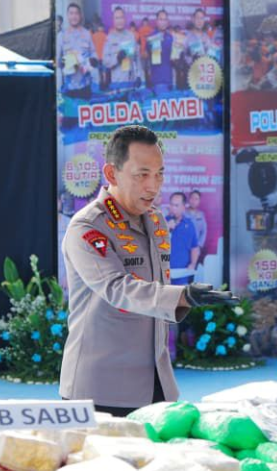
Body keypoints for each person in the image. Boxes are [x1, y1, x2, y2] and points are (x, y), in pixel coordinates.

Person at [60, 125, 236, 416]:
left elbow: (155, 288)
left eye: (159, 174)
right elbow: (117, 287)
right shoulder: (88, 226)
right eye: (142, 175)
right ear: (111, 174)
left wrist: (184, 297)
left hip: (157, 384)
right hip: (101, 388)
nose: (153, 186)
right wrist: (184, 296)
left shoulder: (155, 220)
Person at [58, 3, 95, 99]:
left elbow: (94, 55)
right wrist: (63, 62)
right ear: (67, 15)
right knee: (69, 114)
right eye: (71, 13)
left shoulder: (87, 34)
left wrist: (90, 62)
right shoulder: (61, 36)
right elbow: (57, 61)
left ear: (80, 16)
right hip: (68, 87)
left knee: (85, 113)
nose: (74, 16)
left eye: (76, 13)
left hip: (85, 86)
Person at [102, 5, 141, 89]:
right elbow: (105, 61)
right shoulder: (109, 38)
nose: (119, 21)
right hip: (117, 83)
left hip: (131, 82)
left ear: (125, 19)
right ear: (113, 20)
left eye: (121, 18)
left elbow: (137, 57)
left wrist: (139, 76)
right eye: (117, 18)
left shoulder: (131, 36)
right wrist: (117, 59)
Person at [165, 191, 199, 285]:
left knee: (181, 298)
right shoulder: (162, 222)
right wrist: (166, 228)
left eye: (176, 205)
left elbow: (194, 247)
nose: (173, 208)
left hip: (182, 274)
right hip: (164, 274)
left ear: (183, 207)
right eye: (171, 205)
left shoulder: (189, 224)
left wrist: (192, 264)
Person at [145, 10, 175, 92]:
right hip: (157, 81)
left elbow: (174, 59)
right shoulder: (151, 38)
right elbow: (146, 57)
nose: (163, 22)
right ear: (156, 21)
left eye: (165, 19)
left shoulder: (171, 37)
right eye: (161, 19)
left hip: (171, 80)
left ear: (168, 22)